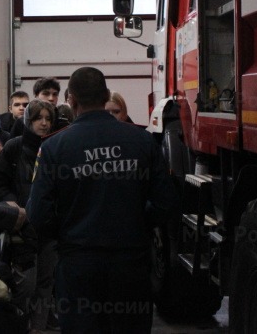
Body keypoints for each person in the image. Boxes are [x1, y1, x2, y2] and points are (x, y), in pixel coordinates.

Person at [26, 67, 178, 333]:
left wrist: (67, 234)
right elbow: (166, 201)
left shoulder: (53, 147)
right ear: (106, 95)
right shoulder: (141, 140)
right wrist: (137, 225)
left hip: (78, 265)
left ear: (70, 99)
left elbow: (37, 214)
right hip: (130, 263)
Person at [0, 99, 55, 331]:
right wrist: (12, 206)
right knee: (25, 281)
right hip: (21, 226)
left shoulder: (57, 146)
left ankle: (38, 326)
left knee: (47, 280)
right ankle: (20, 325)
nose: (44, 123)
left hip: (49, 226)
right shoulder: (14, 147)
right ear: (29, 120)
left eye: (48, 119)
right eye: (39, 118)